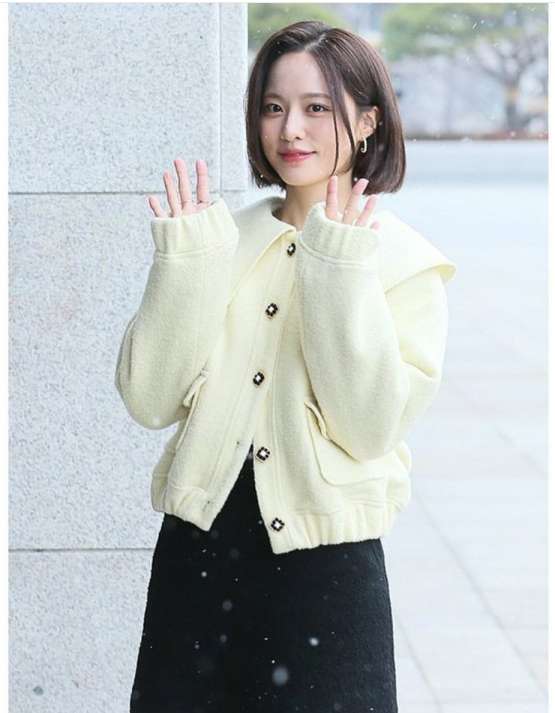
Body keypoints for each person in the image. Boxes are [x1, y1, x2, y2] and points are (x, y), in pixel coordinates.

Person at [116, 20, 457, 713]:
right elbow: (148, 399)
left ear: (367, 120)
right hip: (198, 558)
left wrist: (337, 266)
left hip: (325, 573)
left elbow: (367, 425)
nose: (290, 129)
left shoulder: (406, 263)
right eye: (273, 107)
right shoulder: (219, 239)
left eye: (316, 107)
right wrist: (184, 267)